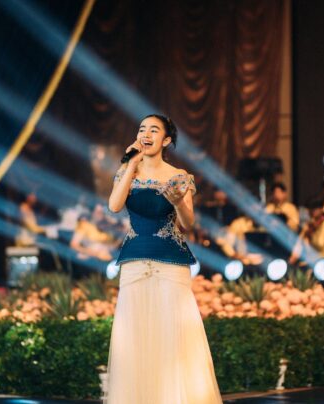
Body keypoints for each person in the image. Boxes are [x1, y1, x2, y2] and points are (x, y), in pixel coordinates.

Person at [106, 114, 222, 404]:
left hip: (171, 262)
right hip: (134, 261)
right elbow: (114, 205)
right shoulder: (126, 171)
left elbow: (188, 223)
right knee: (134, 339)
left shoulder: (178, 176)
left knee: (174, 337)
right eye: (142, 129)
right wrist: (131, 163)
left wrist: (178, 202)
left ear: (166, 140)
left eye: (154, 130)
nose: (146, 134)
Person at [289, 201, 324, 265]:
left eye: (315, 208)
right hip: (309, 259)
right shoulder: (309, 225)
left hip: (323, 259)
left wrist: (310, 235)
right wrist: (293, 256)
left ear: (321, 209)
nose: (312, 211)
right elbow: (299, 243)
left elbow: (320, 244)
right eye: (310, 209)